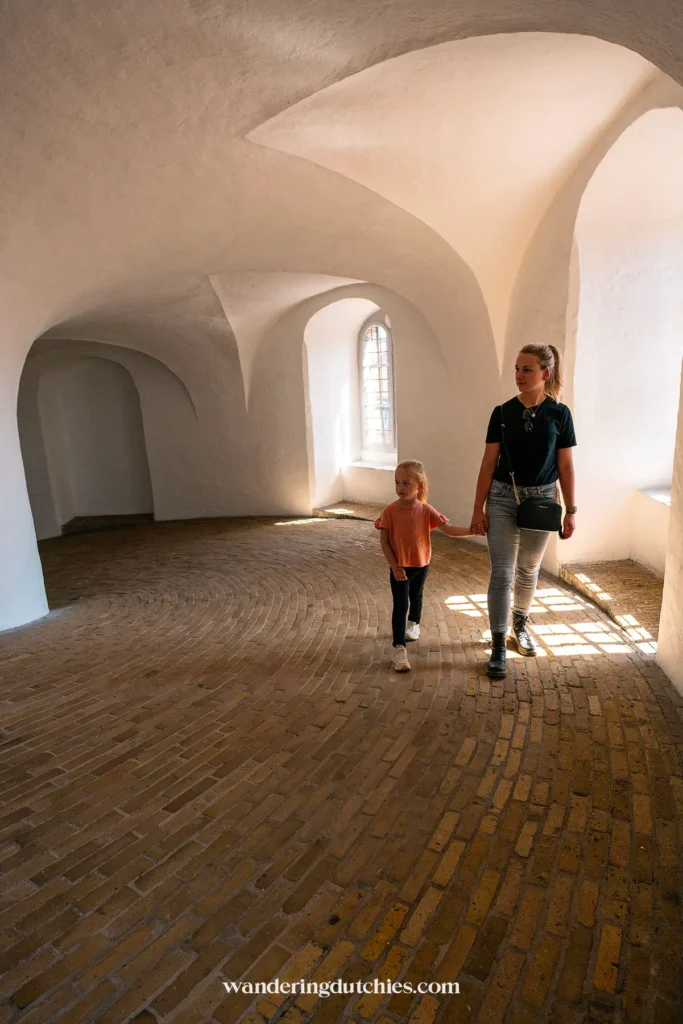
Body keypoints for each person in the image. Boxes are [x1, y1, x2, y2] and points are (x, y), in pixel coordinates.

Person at [470, 344, 577, 679]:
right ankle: (498, 644)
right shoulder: (502, 413)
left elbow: (566, 466)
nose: (519, 375)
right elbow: (488, 463)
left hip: (543, 501)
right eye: (517, 369)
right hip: (503, 497)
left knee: (529, 570)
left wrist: (571, 510)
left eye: (526, 369)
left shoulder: (560, 414)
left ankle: (520, 625)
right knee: (502, 573)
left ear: (545, 373)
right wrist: (478, 508)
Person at [376, 460, 471, 672]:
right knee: (400, 605)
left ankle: (414, 624)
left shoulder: (426, 510)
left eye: (406, 483)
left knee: (416, 595)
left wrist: (472, 530)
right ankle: (399, 649)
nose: (400, 488)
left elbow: (449, 530)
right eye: (397, 483)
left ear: (419, 486)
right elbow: (384, 542)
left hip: (421, 565)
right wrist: (395, 567)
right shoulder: (390, 511)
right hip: (400, 568)